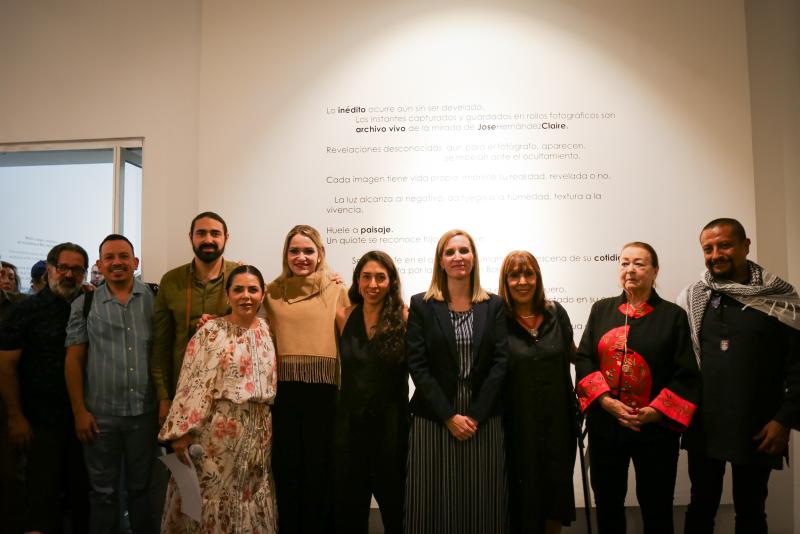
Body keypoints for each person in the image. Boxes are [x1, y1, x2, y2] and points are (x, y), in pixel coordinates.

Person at [678, 218, 800, 534]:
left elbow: (798, 368)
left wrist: (784, 420)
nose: (715, 254)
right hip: (704, 424)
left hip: (759, 426)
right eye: (708, 249)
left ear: (746, 246)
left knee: (751, 510)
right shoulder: (693, 297)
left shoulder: (779, 299)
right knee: (700, 507)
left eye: (725, 245)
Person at [575, 241, 700, 534]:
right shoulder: (601, 309)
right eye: (624, 263)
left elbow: (686, 374)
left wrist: (655, 411)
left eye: (639, 264)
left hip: (655, 431)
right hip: (606, 425)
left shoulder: (672, 316)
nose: (630, 269)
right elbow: (585, 359)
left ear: (655, 271)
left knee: (657, 507)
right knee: (608, 504)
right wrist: (606, 401)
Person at [405, 229, 509, 534]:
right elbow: (417, 365)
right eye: (450, 252)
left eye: (464, 250)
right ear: (440, 261)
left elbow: (500, 363)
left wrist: (474, 415)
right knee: (431, 498)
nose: (457, 257)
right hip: (435, 415)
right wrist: (449, 416)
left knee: (483, 497)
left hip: (482, 415)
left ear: (474, 258)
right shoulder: (422, 305)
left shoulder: (493, 305)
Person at [159, 264, 277, 533]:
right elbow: (192, 381)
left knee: (250, 495)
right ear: (228, 294)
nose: (246, 296)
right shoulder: (211, 331)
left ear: (263, 294)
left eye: (253, 290)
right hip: (217, 434)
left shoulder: (268, 330)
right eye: (238, 289)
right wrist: (182, 432)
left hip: (259, 435)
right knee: (210, 495)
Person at [64, 234, 159, 534]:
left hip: (144, 415)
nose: (117, 262)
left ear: (135, 262)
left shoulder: (155, 300)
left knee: (142, 490)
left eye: (123, 256)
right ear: (100, 264)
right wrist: (79, 411)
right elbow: (74, 360)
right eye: (109, 257)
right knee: (103, 493)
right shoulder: (85, 303)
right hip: (100, 418)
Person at [0, 242, 91, 534]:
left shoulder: (91, 306)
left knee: (82, 496)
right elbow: (5, 365)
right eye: (63, 268)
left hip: (85, 420)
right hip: (40, 421)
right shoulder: (25, 309)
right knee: (42, 498)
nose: (69, 275)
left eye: (77, 269)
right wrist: (16, 416)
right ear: (49, 269)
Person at [265, 224, 349, 533]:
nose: (301, 257)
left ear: (320, 254)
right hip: (284, 393)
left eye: (308, 251)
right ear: (285, 255)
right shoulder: (271, 292)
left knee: (320, 470)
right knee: (287, 470)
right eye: (294, 251)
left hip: (324, 394)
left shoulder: (337, 289)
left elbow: (352, 340)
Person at [498, 251, 577, 534]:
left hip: (559, 424)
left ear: (538, 277)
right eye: (514, 275)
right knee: (523, 501)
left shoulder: (556, 312)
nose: (522, 281)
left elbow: (575, 356)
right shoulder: (497, 319)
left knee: (555, 497)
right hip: (516, 426)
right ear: (505, 281)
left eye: (528, 274)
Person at [333, 251, 409, 534]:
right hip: (351, 429)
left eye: (380, 277)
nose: (373, 284)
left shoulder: (404, 317)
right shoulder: (343, 316)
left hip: (391, 429)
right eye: (366, 277)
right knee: (352, 510)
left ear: (391, 282)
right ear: (357, 280)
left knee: (394, 510)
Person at [151, 211, 239, 426]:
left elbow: (254, 326)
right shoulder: (171, 281)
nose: (208, 239)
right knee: (184, 448)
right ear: (190, 237)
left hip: (230, 389)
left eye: (215, 233)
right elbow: (161, 344)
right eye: (201, 233)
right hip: (183, 389)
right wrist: (163, 397)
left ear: (226, 238)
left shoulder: (241, 277)